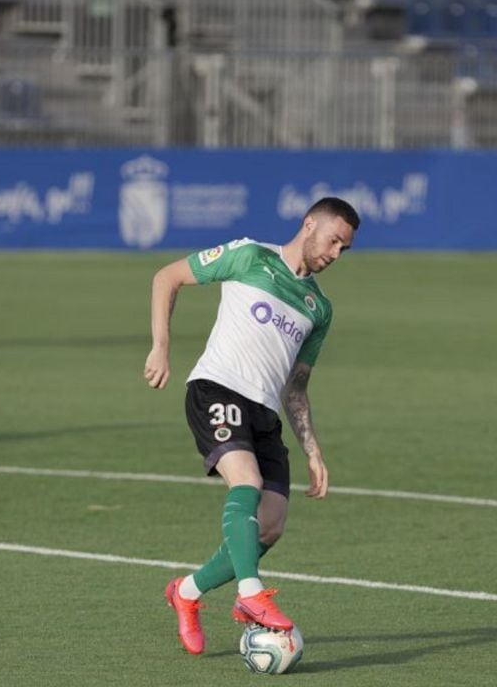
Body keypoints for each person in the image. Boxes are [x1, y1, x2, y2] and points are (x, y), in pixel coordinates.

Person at [145, 197, 360, 654]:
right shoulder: (251, 256)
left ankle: (185, 593)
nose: (336, 254)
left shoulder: (319, 308)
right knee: (247, 481)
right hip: (216, 388)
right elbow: (168, 277)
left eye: (345, 248)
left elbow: (296, 389)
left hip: (264, 412)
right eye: (334, 240)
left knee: (270, 526)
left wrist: (313, 449)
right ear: (308, 225)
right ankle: (249, 596)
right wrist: (160, 347)